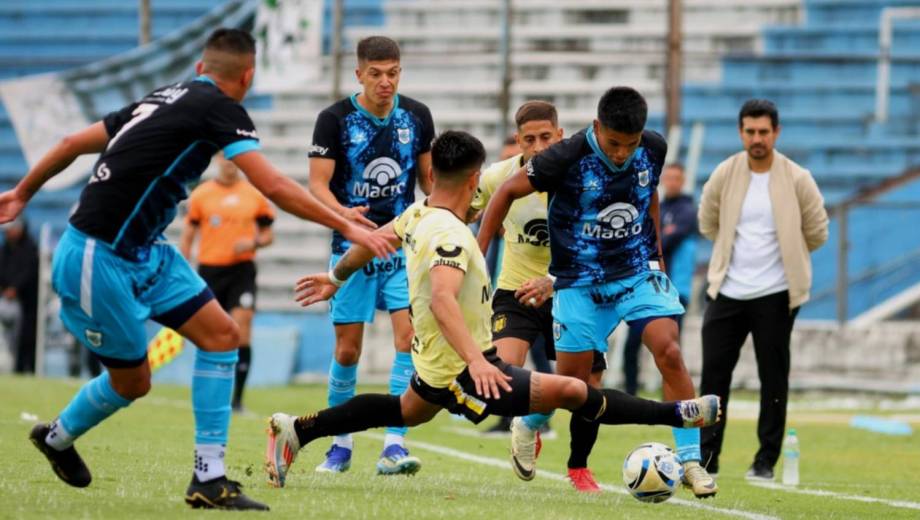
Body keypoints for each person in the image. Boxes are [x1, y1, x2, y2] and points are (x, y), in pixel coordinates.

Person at [0, 28, 394, 511]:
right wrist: (347, 227)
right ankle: (57, 437)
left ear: (201, 68)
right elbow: (270, 184)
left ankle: (209, 478)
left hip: (147, 251)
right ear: (248, 76)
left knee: (222, 337)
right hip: (96, 257)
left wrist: (23, 193)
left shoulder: (162, 97)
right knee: (134, 382)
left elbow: (68, 142)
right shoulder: (221, 108)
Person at [265, 130, 722, 488]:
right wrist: (477, 361)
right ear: (473, 180)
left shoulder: (417, 214)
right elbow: (444, 300)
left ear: (431, 178)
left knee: (403, 410)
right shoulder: (451, 235)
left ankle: (299, 430)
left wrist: (335, 277)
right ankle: (681, 413)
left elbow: (371, 243)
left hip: (436, 362)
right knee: (573, 391)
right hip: (464, 370)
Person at [477, 86, 717, 498]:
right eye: (613, 144)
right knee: (572, 388)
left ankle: (691, 460)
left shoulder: (653, 148)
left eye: (630, 144)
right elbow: (505, 192)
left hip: (634, 273)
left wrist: (655, 256)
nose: (622, 153)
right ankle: (529, 423)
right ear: (595, 128)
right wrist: (478, 262)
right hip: (578, 283)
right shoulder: (563, 157)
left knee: (669, 349)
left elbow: (649, 193)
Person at [306, 35, 434, 475]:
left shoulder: (416, 116)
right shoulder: (334, 119)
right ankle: (339, 446)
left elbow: (429, 182)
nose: (385, 82)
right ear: (358, 74)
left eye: (393, 73)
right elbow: (317, 184)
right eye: (376, 74)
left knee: (406, 340)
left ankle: (394, 445)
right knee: (347, 351)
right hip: (353, 248)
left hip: (402, 246)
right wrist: (343, 215)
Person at [698, 99, 828, 481]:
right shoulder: (725, 173)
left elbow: (817, 230)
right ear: (741, 132)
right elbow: (708, 221)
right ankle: (707, 458)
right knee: (713, 379)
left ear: (776, 132)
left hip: (776, 294)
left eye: (764, 132)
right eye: (750, 131)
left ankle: (765, 460)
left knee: (773, 379)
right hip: (727, 292)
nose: (757, 139)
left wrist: (788, 255)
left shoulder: (797, 177)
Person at [471, 103, 563, 441]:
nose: (538, 147)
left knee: (581, 385)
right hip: (516, 289)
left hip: (566, 289)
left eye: (546, 137)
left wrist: (554, 282)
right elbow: (463, 209)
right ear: (518, 139)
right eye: (530, 139)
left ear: (560, 135)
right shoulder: (498, 176)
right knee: (502, 380)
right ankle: (514, 420)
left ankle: (532, 424)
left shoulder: (580, 176)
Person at [180, 152, 275, 412]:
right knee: (211, 336)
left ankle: (238, 400)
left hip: (242, 271)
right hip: (209, 271)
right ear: (217, 159)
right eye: (225, 156)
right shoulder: (201, 194)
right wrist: (183, 268)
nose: (229, 162)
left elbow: (268, 235)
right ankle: (210, 395)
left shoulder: (253, 195)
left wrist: (254, 242)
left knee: (242, 329)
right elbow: (188, 235)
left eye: (234, 157)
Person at [621, 163, 697, 396]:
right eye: (669, 178)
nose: (672, 182)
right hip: (647, 290)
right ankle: (631, 395)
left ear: (682, 181)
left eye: (677, 178)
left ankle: (672, 400)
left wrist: (655, 237)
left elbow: (661, 242)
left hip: (675, 291)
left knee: (670, 350)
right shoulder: (658, 208)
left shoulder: (688, 210)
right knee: (632, 346)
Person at [0, 217, 39, 373]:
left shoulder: (30, 248)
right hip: (6, 299)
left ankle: (25, 368)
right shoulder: (5, 250)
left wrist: (15, 287)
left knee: (26, 338)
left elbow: (28, 272)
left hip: (27, 303)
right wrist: (5, 288)